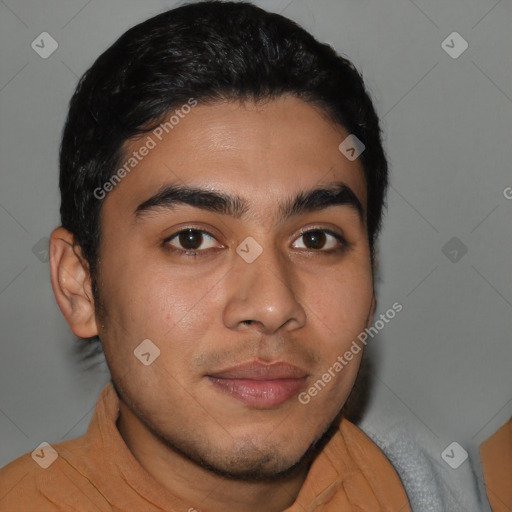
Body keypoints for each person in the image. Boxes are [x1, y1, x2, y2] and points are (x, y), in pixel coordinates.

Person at [0, 1, 411, 510]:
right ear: (80, 285)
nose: (270, 305)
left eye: (315, 239)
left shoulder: (442, 492)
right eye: (192, 239)